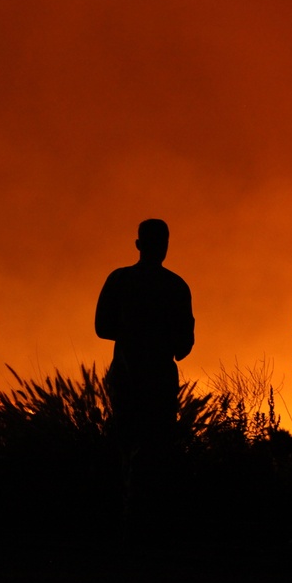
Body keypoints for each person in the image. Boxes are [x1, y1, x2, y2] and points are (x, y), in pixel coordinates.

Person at [94, 219, 195, 515]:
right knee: (157, 450)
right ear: (164, 246)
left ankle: (126, 515)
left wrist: (132, 334)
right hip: (159, 381)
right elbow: (184, 347)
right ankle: (150, 517)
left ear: (138, 245)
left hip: (126, 376)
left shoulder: (120, 280)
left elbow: (102, 327)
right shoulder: (176, 286)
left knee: (127, 445)